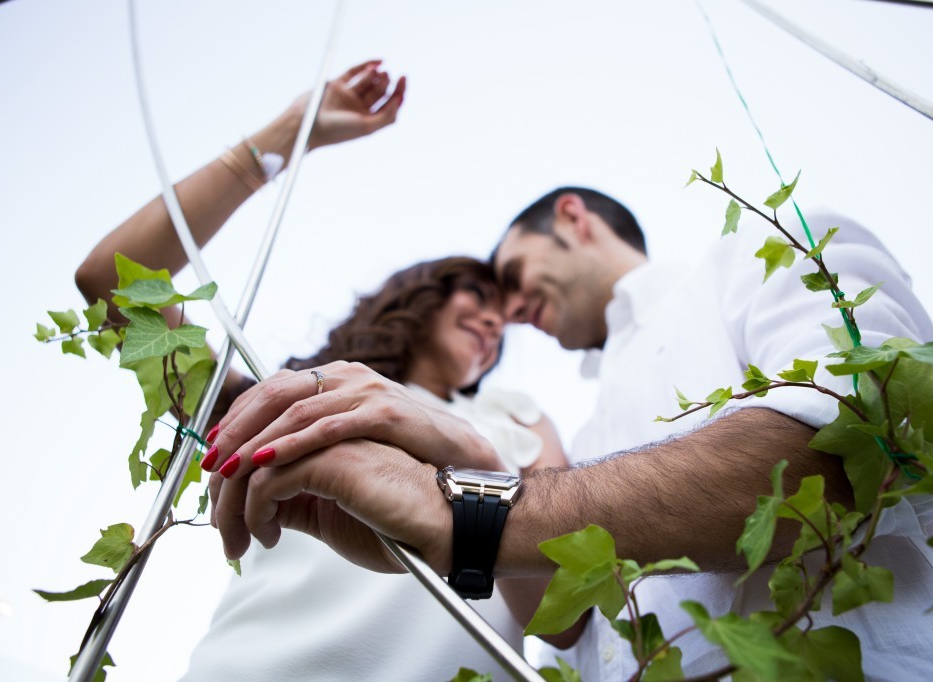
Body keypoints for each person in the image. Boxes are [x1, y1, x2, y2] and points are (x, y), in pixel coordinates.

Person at [206, 188, 933, 679]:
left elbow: (869, 443)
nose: (510, 312)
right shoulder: (575, 441)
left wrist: (465, 506)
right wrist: (482, 479)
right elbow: (562, 620)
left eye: (513, 278)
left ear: (572, 218)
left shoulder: (764, 256)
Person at [75, 62, 569, 680]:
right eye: (476, 294)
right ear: (417, 294)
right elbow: (113, 282)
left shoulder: (516, 418)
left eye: (507, 323)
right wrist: (287, 136)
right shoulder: (282, 397)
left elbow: (563, 615)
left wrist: (479, 472)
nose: (496, 323)